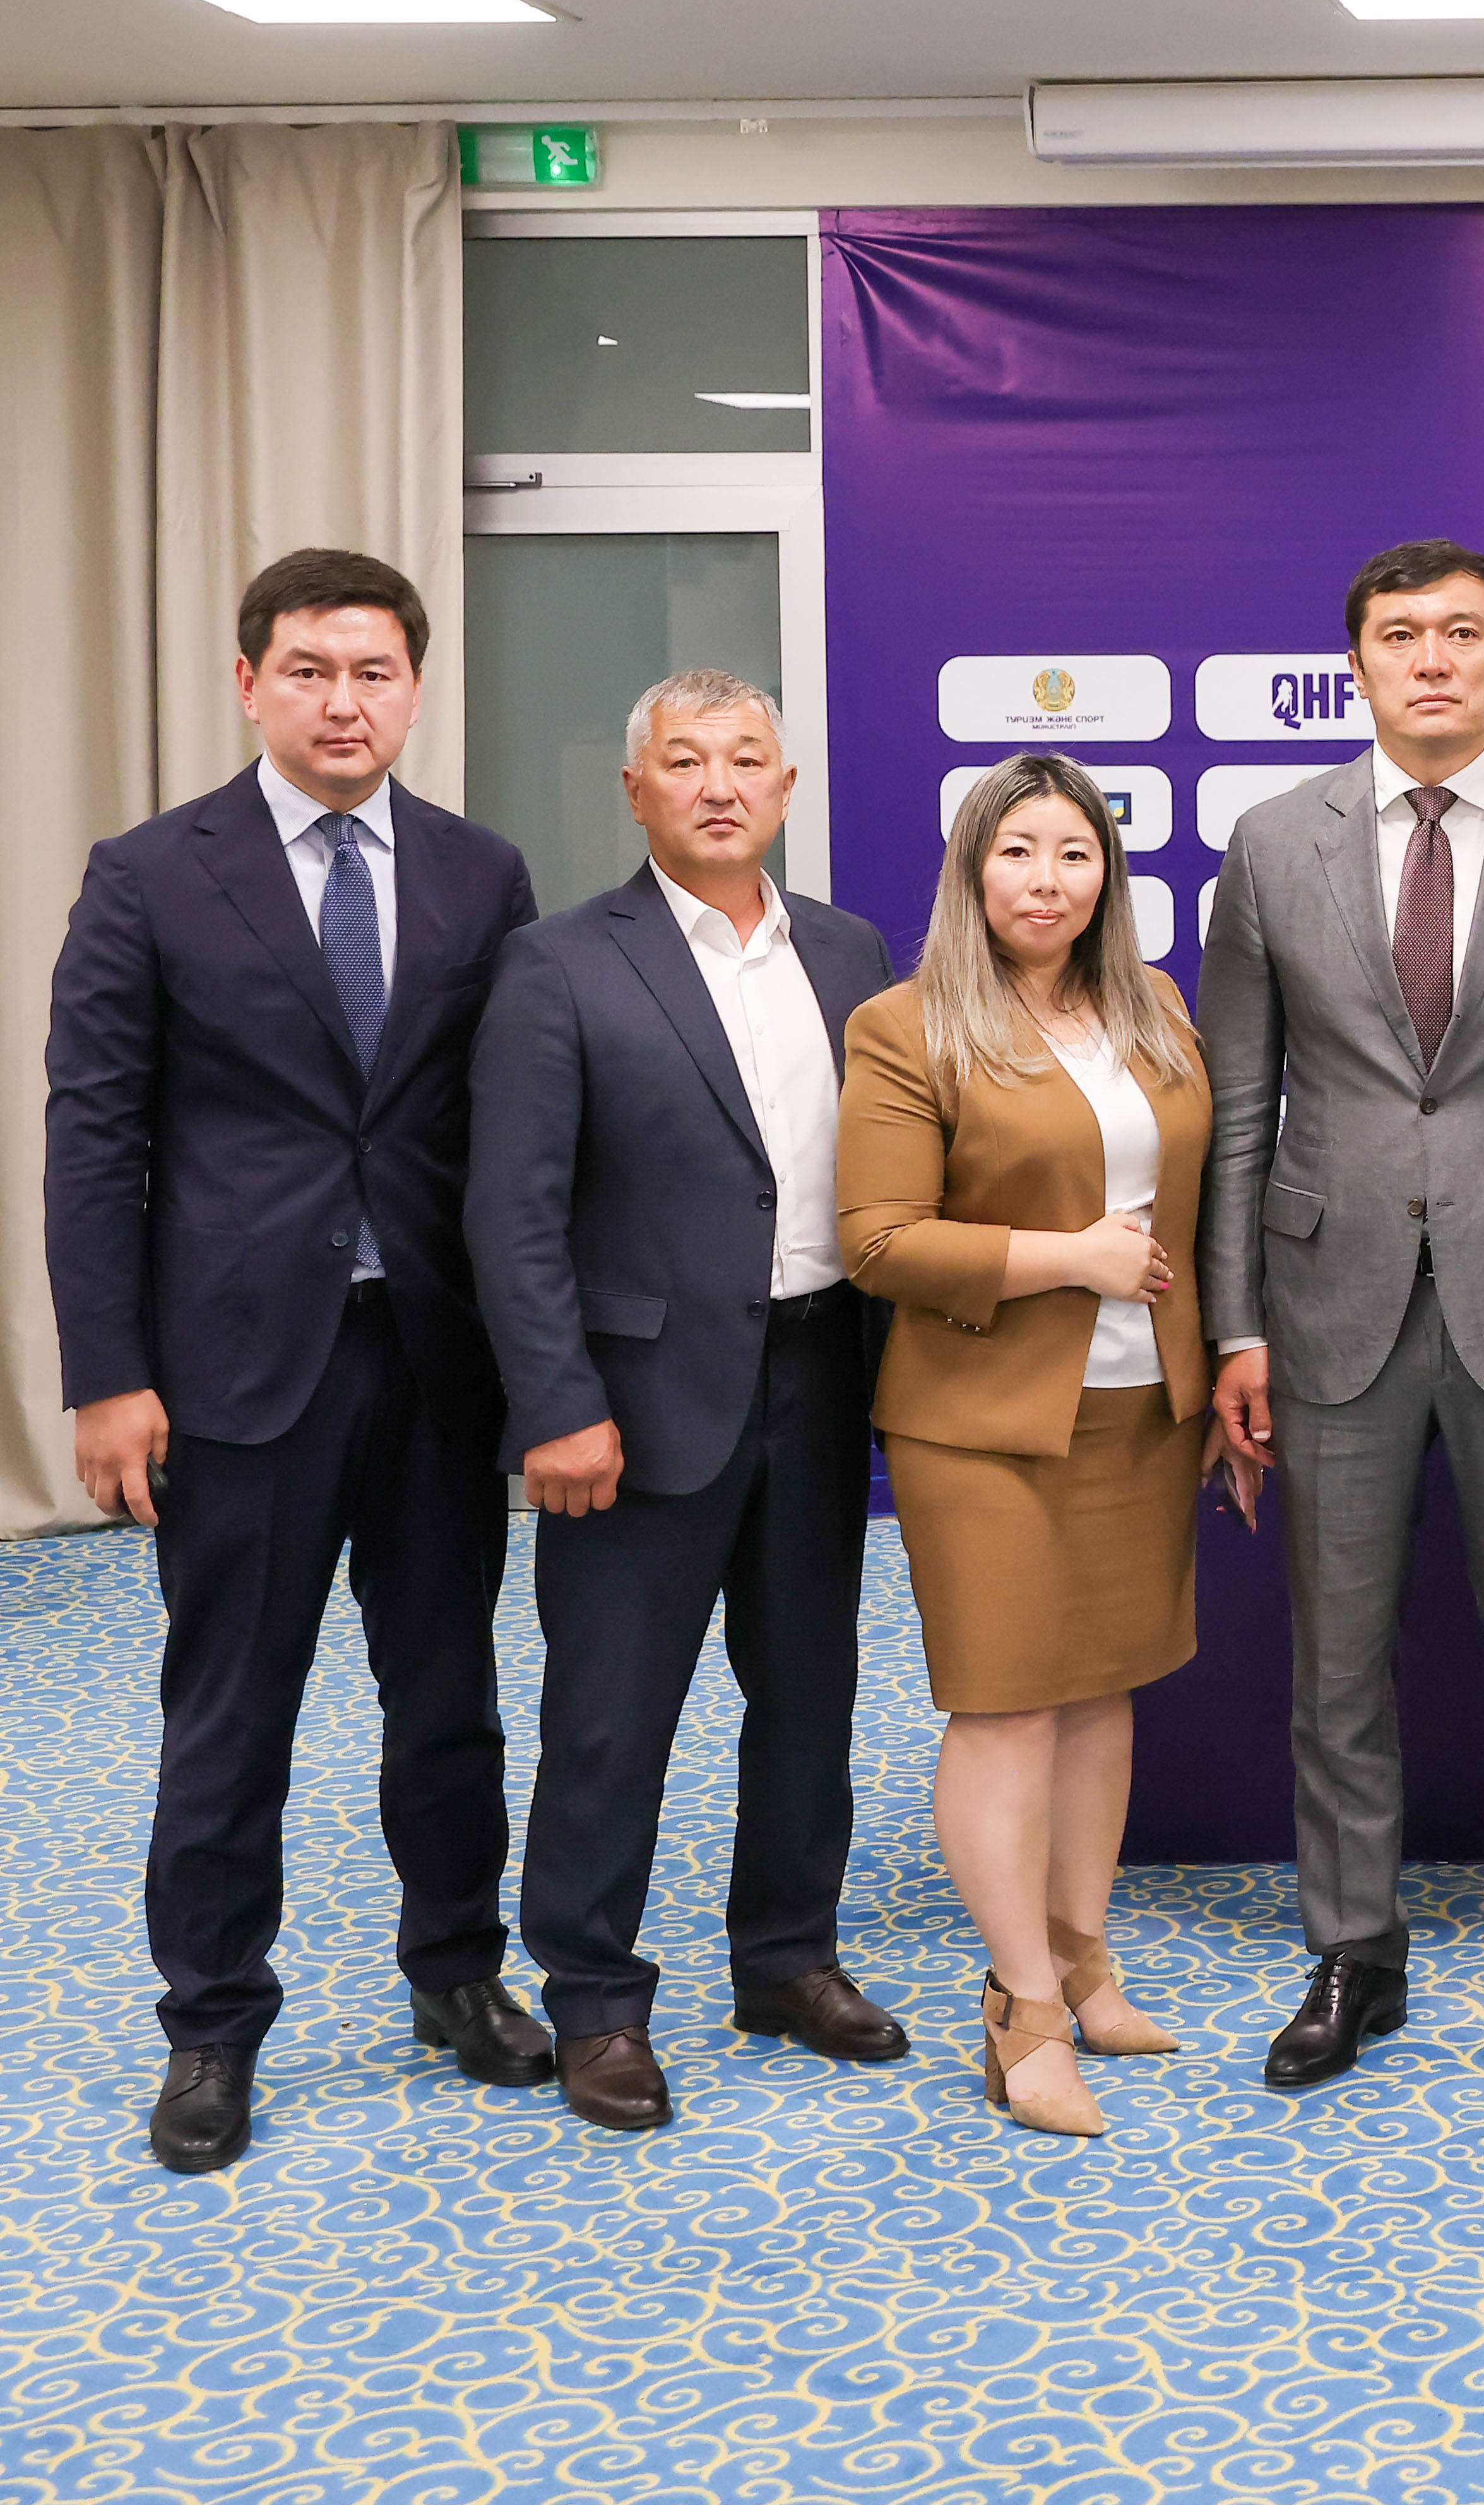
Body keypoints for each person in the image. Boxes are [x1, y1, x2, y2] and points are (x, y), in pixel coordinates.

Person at [45, 548, 547, 2174]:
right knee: (231, 1708)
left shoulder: (480, 873)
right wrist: (107, 1371)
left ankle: (457, 1970)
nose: (345, 703)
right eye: (312, 671)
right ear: (250, 681)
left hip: (436, 1361)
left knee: (449, 1696)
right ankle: (211, 2025)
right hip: (237, 1368)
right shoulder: (151, 872)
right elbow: (93, 1136)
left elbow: (511, 1129)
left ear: (415, 689)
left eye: (374, 673)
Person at [1200, 538, 1484, 2090]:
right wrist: (1234, 1326)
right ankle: (1354, 1950)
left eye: (1461, 632)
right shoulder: (1271, 842)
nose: (1432, 659)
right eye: (1400, 635)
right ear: (1358, 666)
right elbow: (1242, 1108)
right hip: (1324, 1306)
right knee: (1336, 1665)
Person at [463, 670, 908, 2133]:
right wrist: (556, 1404)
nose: (719, 784)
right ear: (637, 789)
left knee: (811, 1696)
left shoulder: (849, 952)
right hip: (634, 1400)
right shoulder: (560, 964)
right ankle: (594, 1995)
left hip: (820, 1374)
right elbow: (513, 1212)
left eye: (746, 759)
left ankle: (787, 1957)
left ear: (786, 786)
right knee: (611, 1713)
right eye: (685, 760)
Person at [838, 754, 1213, 2139]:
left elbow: (1195, 1206)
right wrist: (1069, 1256)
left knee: (1102, 1694)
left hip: (1140, 1411)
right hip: (983, 1421)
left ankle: (1084, 1957)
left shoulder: (1155, 1007)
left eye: (1073, 853)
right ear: (972, 870)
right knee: (1006, 1707)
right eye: (1017, 851)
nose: (1045, 880)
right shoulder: (906, 1025)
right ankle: (1022, 2009)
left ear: (1106, 874)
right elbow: (878, 1239)